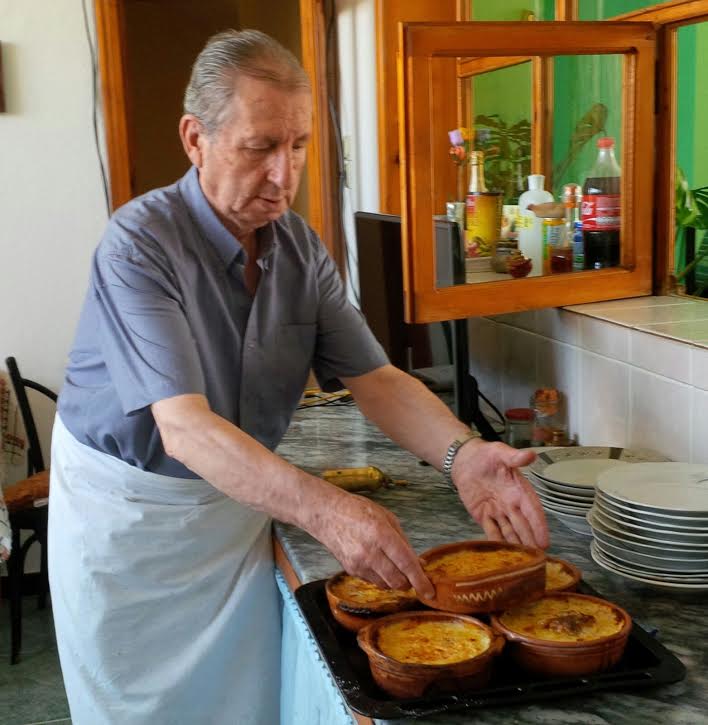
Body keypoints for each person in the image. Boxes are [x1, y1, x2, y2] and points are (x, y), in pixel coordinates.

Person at [49, 29, 548, 725]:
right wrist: (329, 509)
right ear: (195, 138)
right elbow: (186, 428)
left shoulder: (299, 247)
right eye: (260, 147)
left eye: (300, 146)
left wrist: (463, 454)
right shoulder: (140, 243)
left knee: (246, 701)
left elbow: (375, 376)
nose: (285, 175)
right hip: (134, 524)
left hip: (235, 505)